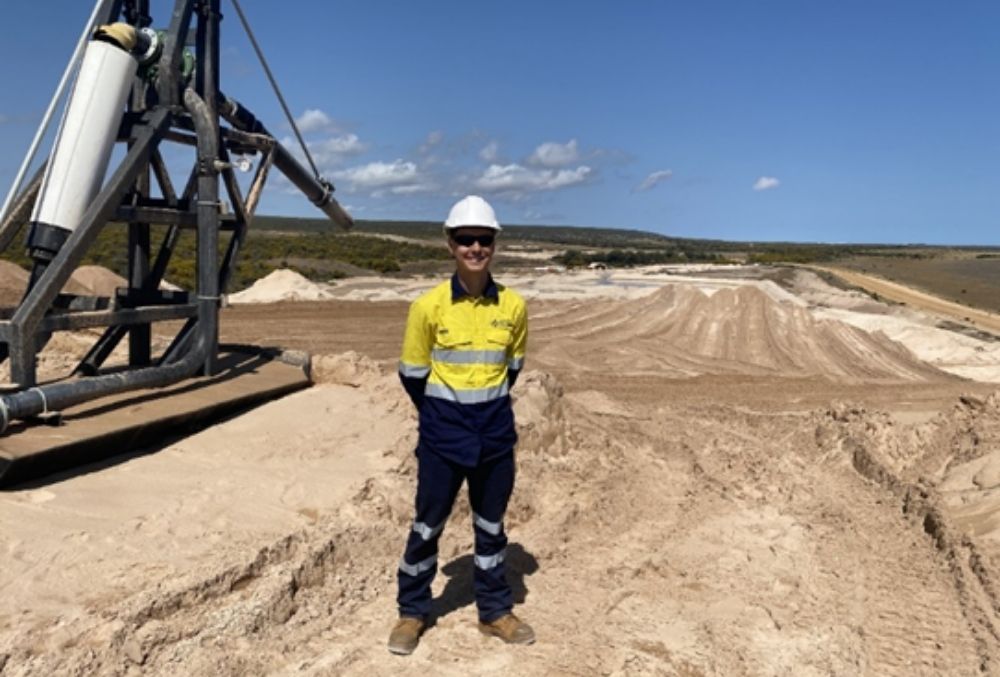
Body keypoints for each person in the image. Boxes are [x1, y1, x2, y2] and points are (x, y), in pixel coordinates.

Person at [388, 195, 533, 655]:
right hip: (442, 438)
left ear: (495, 244)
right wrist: (443, 414)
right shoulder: (427, 308)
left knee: (491, 529)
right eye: (466, 239)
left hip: (493, 436)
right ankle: (412, 612)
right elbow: (412, 374)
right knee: (427, 527)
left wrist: (481, 410)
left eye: (484, 239)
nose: (475, 248)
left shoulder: (514, 307)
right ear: (450, 244)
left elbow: (512, 368)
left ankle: (494, 612)